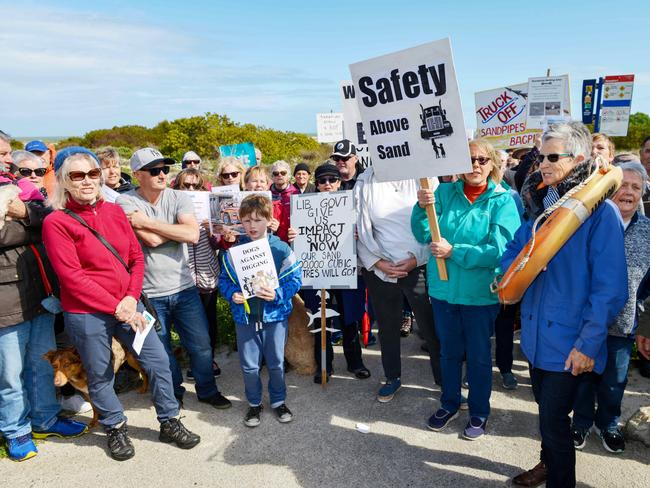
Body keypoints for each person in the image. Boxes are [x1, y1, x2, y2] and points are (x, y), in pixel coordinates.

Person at [42, 146, 200, 461]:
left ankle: (169, 420)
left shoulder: (115, 211)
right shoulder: (56, 222)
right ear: (64, 180)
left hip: (128, 304)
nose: (87, 180)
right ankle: (115, 426)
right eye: (78, 175)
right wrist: (118, 307)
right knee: (101, 373)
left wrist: (129, 298)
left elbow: (135, 258)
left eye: (93, 173)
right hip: (88, 312)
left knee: (157, 360)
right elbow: (72, 277)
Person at [504, 122, 628, 488]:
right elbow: (514, 250)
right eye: (542, 156)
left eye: (552, 156)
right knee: (547, 417)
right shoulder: (541, 207)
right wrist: (509, 272)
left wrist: (587, 345)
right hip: (537, 339)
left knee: (555, 423)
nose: (542, 163)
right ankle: (547, 466)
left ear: (578, 159)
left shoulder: (599, 214)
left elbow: (610, 290)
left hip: (571, 344)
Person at [412, 138, 520, 440]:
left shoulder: (502, 200)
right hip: (444, 291)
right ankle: (449, 402)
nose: (475, 165)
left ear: (492, 165)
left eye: (482, 160)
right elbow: (423, 233)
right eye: (469, 159)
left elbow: (500, 249)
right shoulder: (443, 192)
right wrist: (421, 208)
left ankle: (478, 412)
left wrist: (454, 251)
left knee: (478, 356)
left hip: (479, 295)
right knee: (448, 353)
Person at [116, 148, 231, 410]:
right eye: (154, 170)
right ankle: (175, 391)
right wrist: (177, 230)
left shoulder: (178, 196)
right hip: (149, 293)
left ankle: (207, 390)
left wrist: (147, 222)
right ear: (137, 175)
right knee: (163, 349)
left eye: (165, 169)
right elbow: (153, 241)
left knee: (201, 345)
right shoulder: (125, 202)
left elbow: (192, 235)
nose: (162, 174)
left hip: (184, 287)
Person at [0, 134, 87, 462]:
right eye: (4, 154)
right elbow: (35, 224)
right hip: (5, 300)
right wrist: (32, 224)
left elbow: (49, 216)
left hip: (41, 294)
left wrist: (25, 216)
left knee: (42, 362)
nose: (9, 160)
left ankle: (45, 420)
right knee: (10, 372)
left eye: (8, 153)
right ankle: (15, 430)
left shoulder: (16, 183)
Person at [571, 162, 650, 454]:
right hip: (587, 321)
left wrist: (643, 321)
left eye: (635, 187)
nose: (628, 192)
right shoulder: (587, 222)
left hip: (623, 324)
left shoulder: (649, 232)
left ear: (642, 193)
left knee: (614, 382)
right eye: (622, 185)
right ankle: (579, 422)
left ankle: (608, 423)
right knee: (581, 378)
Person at [356, 157, 442, 402]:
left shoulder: (423, 175)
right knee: (387, 327)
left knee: (431, 327)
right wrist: (377, 263)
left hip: (420, 266)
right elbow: (361, 229)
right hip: (380, 270)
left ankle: (444, 380)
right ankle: (392, 377)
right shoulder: (364, 180)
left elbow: (436, 223)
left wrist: (416, 259)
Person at [219, 195, 302, 427]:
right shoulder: (234, 251)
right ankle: (254, 403)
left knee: (276, 362)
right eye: (246, 221)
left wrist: (278, 294)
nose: (252, 226)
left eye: (257, 220)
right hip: (245, 317)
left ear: (269, 219)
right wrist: (231, 294)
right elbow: (224, 280)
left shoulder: (281, 248)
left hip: (275, 316)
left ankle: (278, 400)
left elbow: (295, 279)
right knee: (249, 364)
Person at [303, 163, 371, 383]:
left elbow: (365, 230)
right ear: (317, 183)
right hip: (318, 272)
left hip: (345, 268)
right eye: (322, 181)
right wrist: (296, 234)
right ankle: (324, 365)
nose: (327, 185)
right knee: (320, 319)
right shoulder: (305, 206)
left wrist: (358, 233)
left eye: (332, 180)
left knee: (349, 317)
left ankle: (355, 363)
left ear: (339, 182)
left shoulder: (350, 205)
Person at [171, 168, 222, 377]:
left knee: (209, 318)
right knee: (189, 322)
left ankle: (209, 360)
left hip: (207, 272)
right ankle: (194, 360)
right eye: (186, 186)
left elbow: (219, 242)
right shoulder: (171, 208)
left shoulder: (211, 207)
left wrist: (212, 230)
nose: (191, 189)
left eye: (195, 185)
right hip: (183, 274)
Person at [269, 160, 299, 243]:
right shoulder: (266, 193)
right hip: (269, 239)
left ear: (288, 175)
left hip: (290, 240)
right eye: (276, 173)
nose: (279, 175)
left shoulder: (296, 194)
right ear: (272, 176)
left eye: (283, 173)